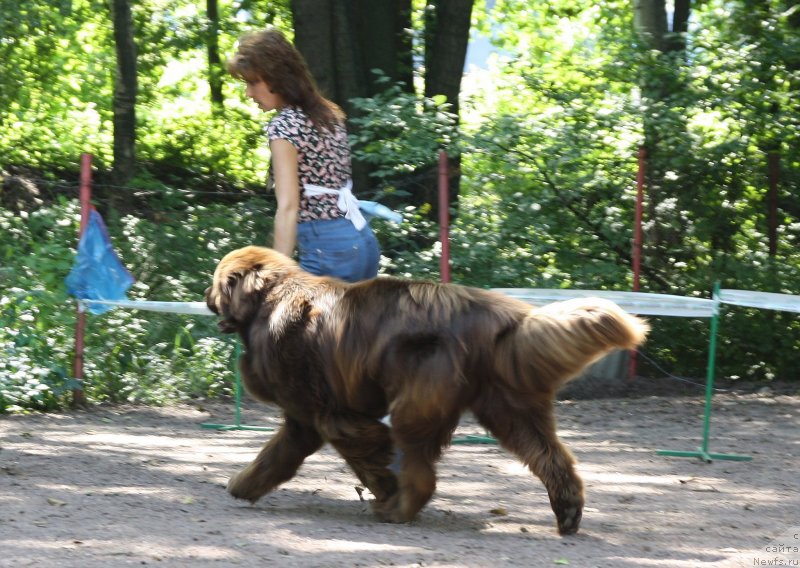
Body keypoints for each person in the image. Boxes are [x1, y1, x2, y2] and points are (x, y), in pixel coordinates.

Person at [226, 28, 380, 282]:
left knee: (283, 317)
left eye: (253, 83)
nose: (248, 94)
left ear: (277, 77)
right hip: (362, 242)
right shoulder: (328, 113)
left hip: (331, 252)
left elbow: (288, 208)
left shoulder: (284, 127)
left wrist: (274, 279)